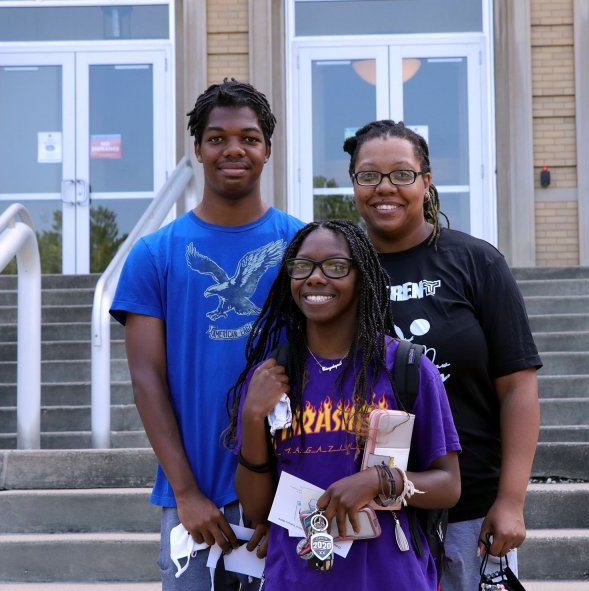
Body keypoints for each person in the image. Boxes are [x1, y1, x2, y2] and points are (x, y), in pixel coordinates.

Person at [110, 79, 304, 590]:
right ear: (197, 149)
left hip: (291, 496)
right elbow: (147, 380)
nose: (233, 149)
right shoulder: (155, 254)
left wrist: (292, 498)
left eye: (249, 137)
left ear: (266, 149)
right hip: (196, 504)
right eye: (217, 138)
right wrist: (185, 493)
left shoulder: (302, 247)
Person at [343, 120, 542, 589]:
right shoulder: (338, 271)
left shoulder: (477, 262)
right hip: (369, 510)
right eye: (368, 175)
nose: (384, 188)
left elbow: (518, 387)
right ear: (353, 184)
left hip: (468, 510)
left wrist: (511, 500)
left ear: (426, 182)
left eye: (402, 174)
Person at [226, 220, 462, 589]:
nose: (315, 278)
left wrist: (378, 480)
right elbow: (257, 509)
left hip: (392, 577)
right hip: (298, 578)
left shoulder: (406, 368)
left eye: (336, 266)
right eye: (302, 267)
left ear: (362, 277)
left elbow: (448, 485)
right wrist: (253, 415)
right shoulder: (272, 377)